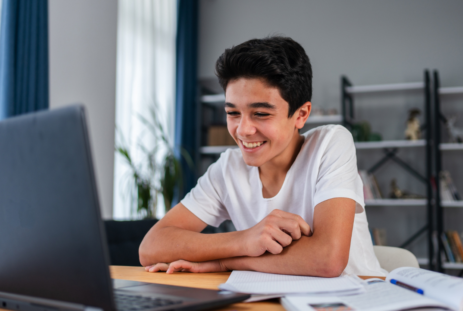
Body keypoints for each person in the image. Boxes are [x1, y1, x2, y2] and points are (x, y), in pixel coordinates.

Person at [139, 36, 386, 277]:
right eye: (233, 112)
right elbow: (151, 247)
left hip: (357, 298)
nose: (243, 130)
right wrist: (245, 239)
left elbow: (327, 259)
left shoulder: (330, 144)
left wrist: (224, 263)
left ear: (301, 114)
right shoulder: (228, 168)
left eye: (260, 113)